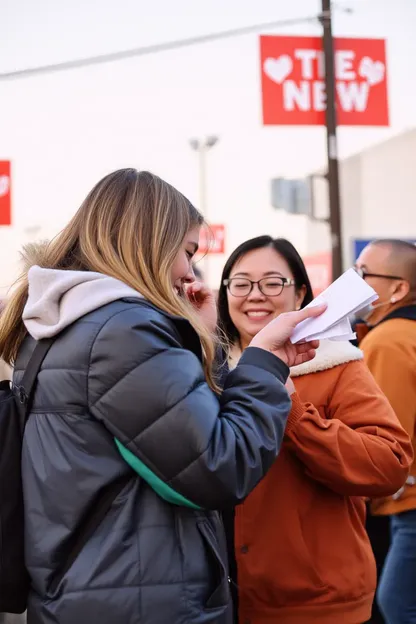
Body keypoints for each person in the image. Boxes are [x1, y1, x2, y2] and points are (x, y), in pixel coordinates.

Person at [0, 170, 324, 624]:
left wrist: (202, 335)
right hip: (142, 598)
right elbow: (219, 466)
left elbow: (175, 426)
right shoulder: (123, 331)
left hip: (93, 588)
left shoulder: (69, 324)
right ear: (149, 243)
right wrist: (265, 361)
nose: (190, 272)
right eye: (188, 252)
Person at [217, 235, 413, 624]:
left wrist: (294, 412)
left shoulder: (334, 363)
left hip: (314, 602)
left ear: (301, 293)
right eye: (241, 283)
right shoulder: (201, 369)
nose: (255, 295)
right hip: (214, 600)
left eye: (273, 283)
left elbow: (389, 465)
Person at [355, 239, 416, 624]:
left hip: (409, 502)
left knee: (395, 603)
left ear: (399, 288)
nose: (354, 283)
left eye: (364, 274)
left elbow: (390, 438)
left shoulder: (388, 339)